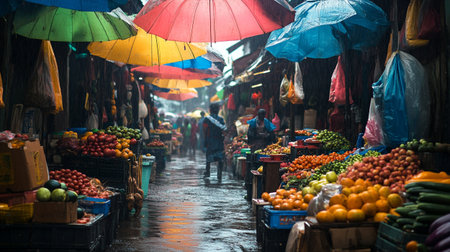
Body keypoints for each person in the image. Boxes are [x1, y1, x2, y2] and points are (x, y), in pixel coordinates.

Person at [203, 103, 226, 180]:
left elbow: (205, 130)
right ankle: (219, 174)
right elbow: (224, 131)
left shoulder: (206, 119)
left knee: (209, 158)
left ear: (210, 110)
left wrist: (205, 141)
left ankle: (207, 172)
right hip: (219, 141)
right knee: (220, 159)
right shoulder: (221, 119)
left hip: (210, 141)